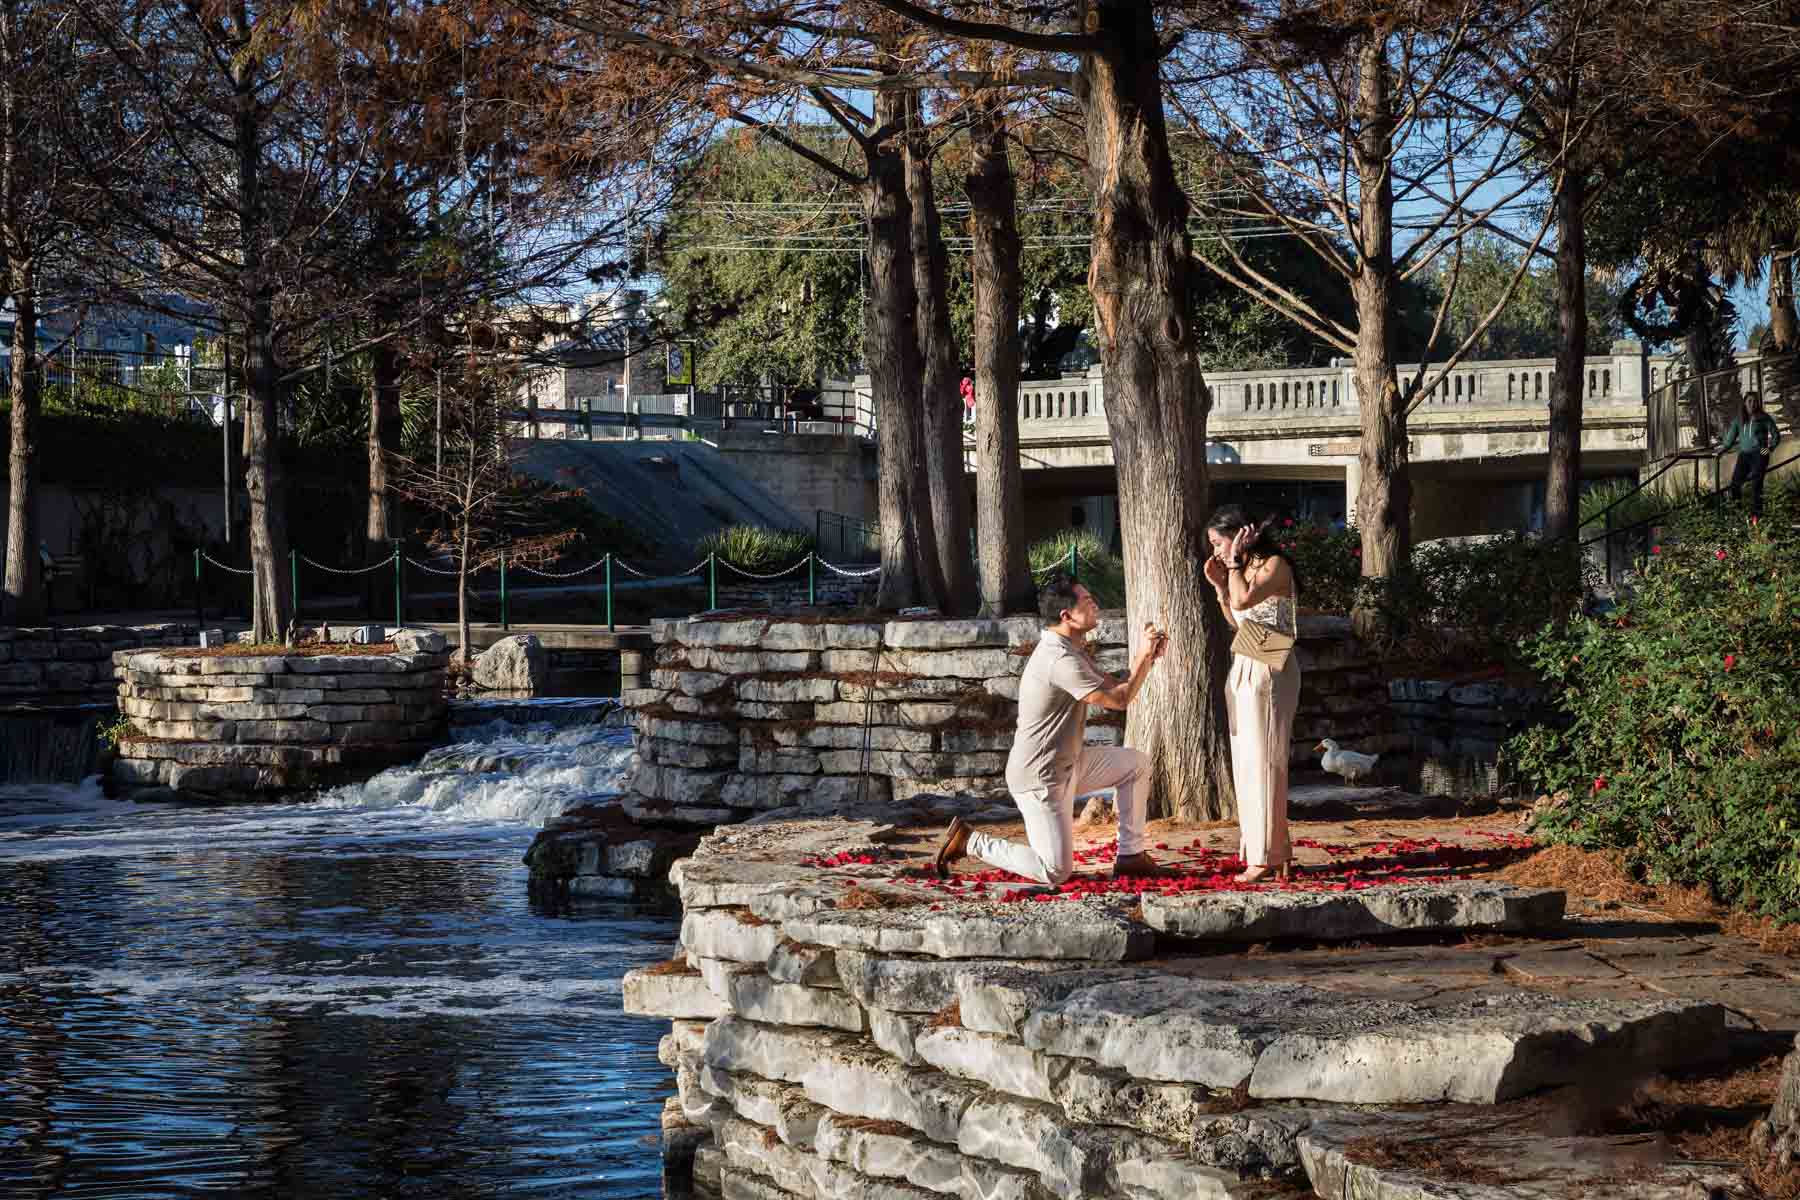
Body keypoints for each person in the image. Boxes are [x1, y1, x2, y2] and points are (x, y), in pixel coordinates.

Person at [933, 572, 1172, 883]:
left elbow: (1116, 682)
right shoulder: (1059, 659)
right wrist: (1142, 654)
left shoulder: (1071, 650)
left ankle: (1131, 856)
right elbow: (1120, 698)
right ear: (1067, 614)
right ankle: (970, 841)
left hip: (1070, 765)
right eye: (1088, 601)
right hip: (1040, 777)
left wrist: (1148, 659)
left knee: (1135, 764)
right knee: (1056, 871)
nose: (1096, 605)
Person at [1204, 505, 1302, 883]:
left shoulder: (1274, 565)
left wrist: (1229, 569)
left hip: (1271, 666)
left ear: (1241, 535)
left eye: (1218, 542)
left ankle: (1264, 857)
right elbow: (1237, 620)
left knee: (1265, 761)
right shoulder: (1242, 571)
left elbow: (1244, 603)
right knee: (1247, 760)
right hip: (1248, 658)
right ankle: (1271, 849)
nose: (1215, 551)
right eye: (1212, 545)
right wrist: (1218, 586)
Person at [1720, 392, 1781, 517]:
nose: (1752, 404)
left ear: (1758, 403)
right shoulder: (1739, 420)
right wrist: (1721, 451)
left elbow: (1776, 435)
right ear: (1744, 403)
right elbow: (1729, 440)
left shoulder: (1764, 418)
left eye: (1755, 401)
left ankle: (1756, 516)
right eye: (1749, 401)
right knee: (1735, 484)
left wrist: (1770, 448)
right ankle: (1737, 513)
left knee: (1756, 485)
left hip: (1759, 455)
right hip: (1744, 455)